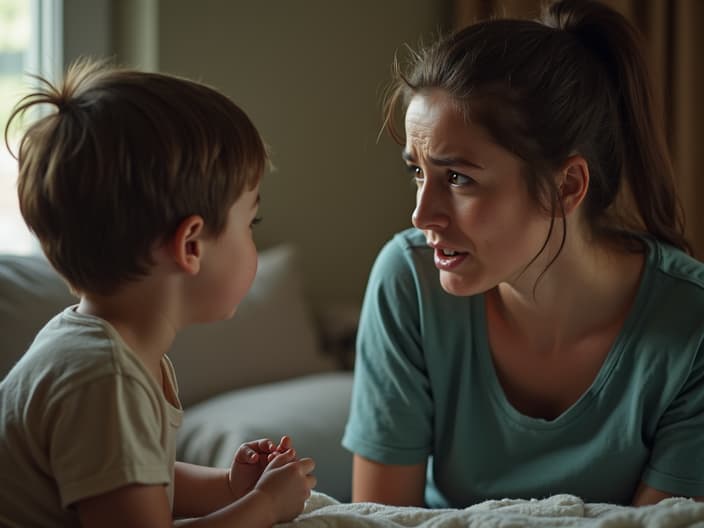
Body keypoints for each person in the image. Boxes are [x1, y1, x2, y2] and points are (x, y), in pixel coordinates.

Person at [342, 0, 704, 509]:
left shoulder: (692, 329)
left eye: (459, 178)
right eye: (417, 172)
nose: (421, 216)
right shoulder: (409, 281)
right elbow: (382, 521)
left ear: (566, 186)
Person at [0, 59, 316, 527]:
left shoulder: (101, 351)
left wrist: (229, 487)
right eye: (250, 223)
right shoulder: (104, 378)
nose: (253, 239)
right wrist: (264, 507)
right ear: (190, 245)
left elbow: (138, 479)